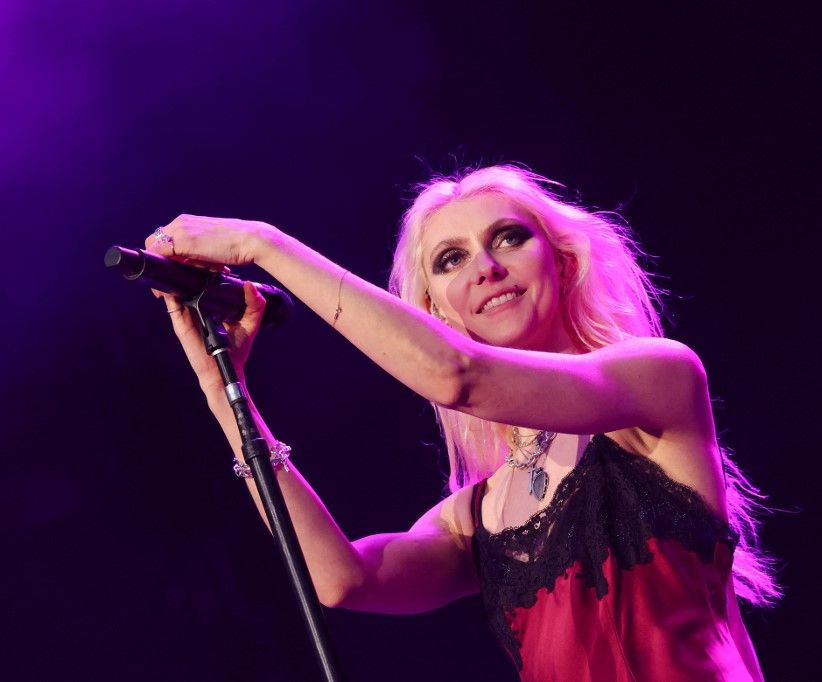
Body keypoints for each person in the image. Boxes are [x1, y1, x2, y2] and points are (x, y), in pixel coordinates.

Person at [146, 165, 778, 681]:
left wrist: (262, 245)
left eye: (508, 238)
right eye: (450, 260)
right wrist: (223, 391)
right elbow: (340, 579)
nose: (485, 267)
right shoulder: (476, 514)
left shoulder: (659, 380)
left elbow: (459, 377)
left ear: (560, 263)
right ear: (436, 312)